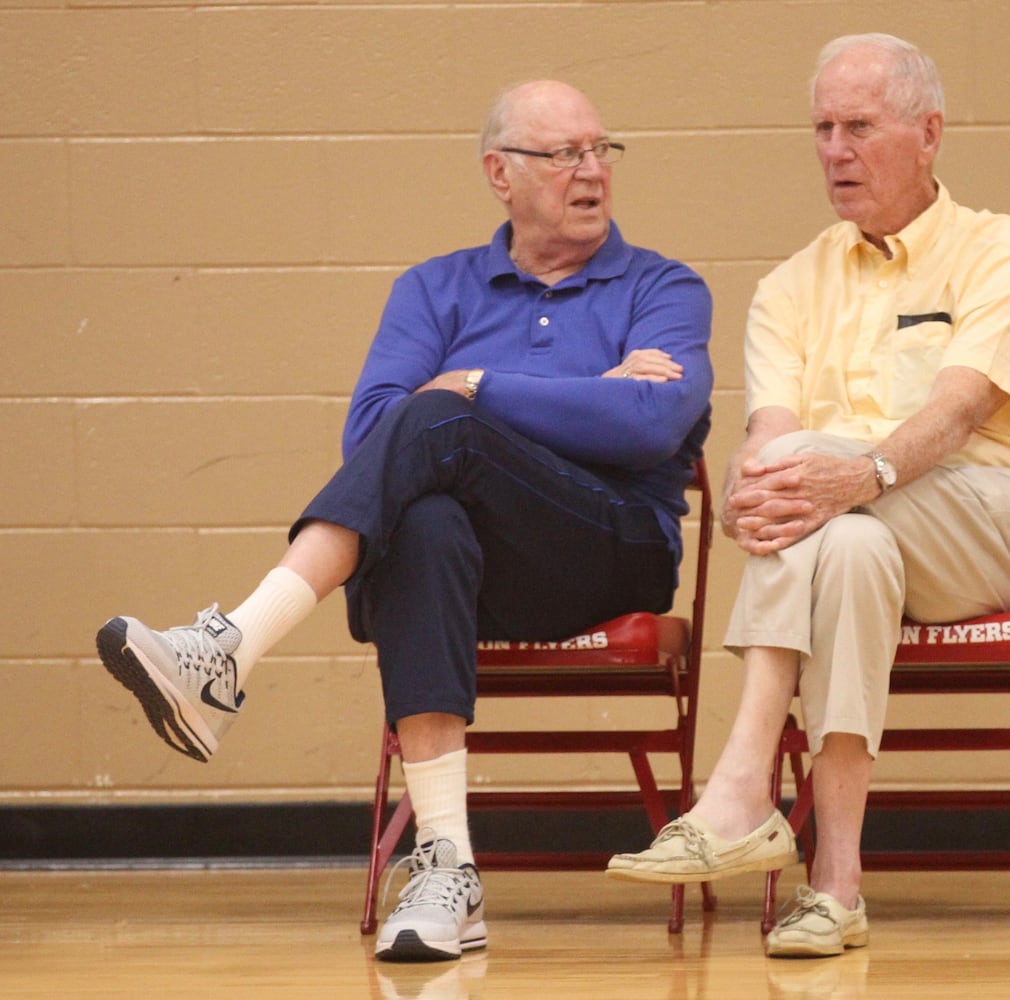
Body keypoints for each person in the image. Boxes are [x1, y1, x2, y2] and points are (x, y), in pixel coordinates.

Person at [95, 79, 713, 963]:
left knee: (439, 421)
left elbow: (652, 423)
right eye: (563, 154)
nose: (591, 172)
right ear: (500, 173)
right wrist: (582, 398)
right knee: (421, 520)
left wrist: (476, 386)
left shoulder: (664, 286)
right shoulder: (433, 288)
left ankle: (232, 647)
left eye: (600, 150)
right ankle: (447, 866)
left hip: (610, 549)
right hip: (477, 572)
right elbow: (370, 435)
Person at [607, 33, 1010, 958]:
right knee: (847, 543)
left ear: (929, 131)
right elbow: (771, 442)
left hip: (1000, 527)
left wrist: (849, 472)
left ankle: (740, 780)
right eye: (821, 127)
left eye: (859, 126)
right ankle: (835, 885)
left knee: (824, 482)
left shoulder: (1002, 250)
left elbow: (959, 408)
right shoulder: (789, 286)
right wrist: (749, 487)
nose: (834, 149)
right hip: (860, 536)